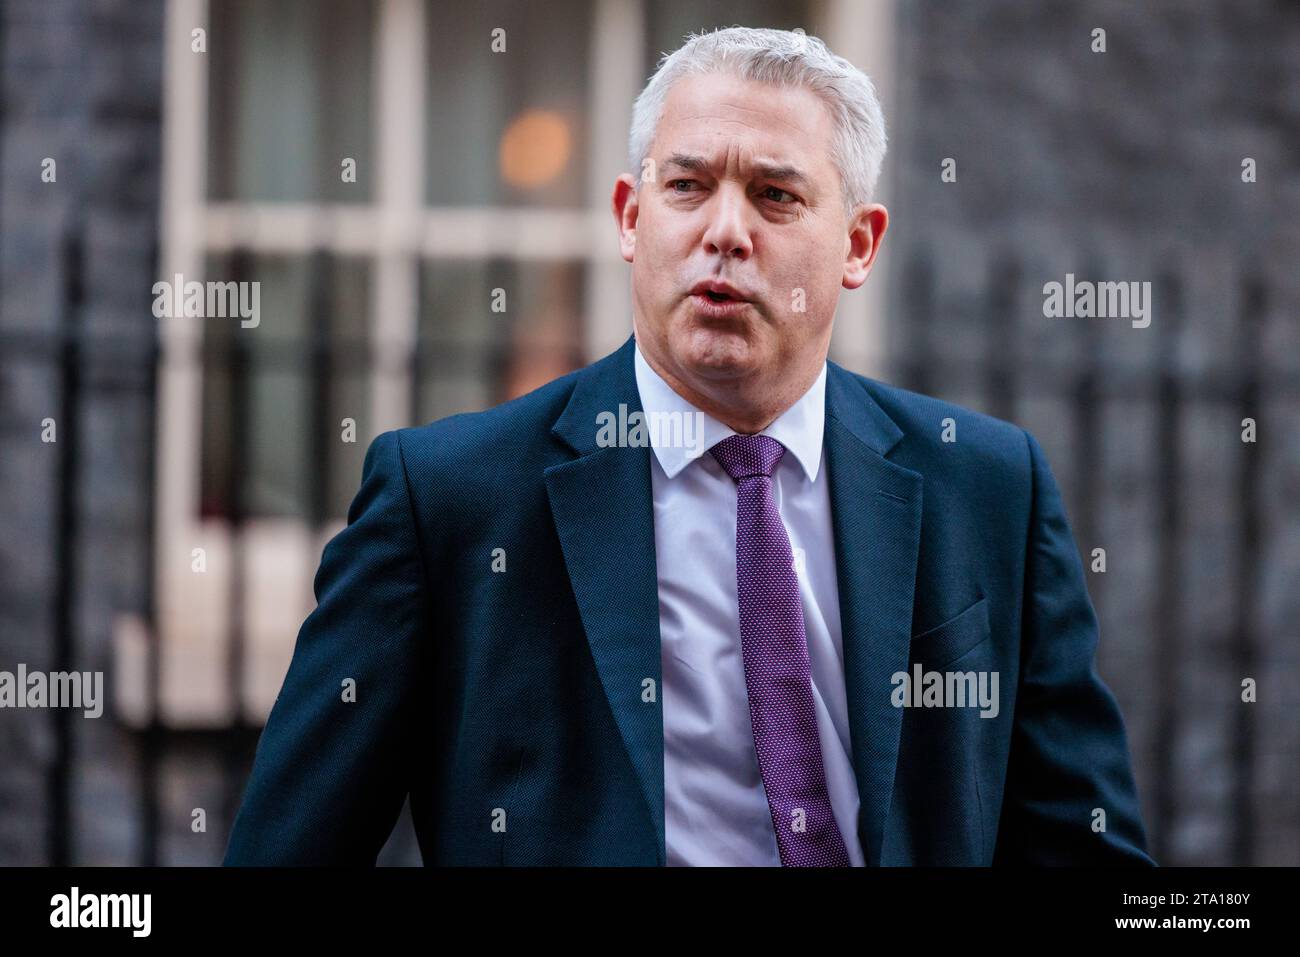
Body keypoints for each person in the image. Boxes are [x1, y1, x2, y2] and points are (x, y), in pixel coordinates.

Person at [224, 26, 1154, 867]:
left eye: (777, 196)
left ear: (859, 244)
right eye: (688, 185)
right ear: (632, 217)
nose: (725, 232)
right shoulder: (448, 501)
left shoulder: (989, 488)